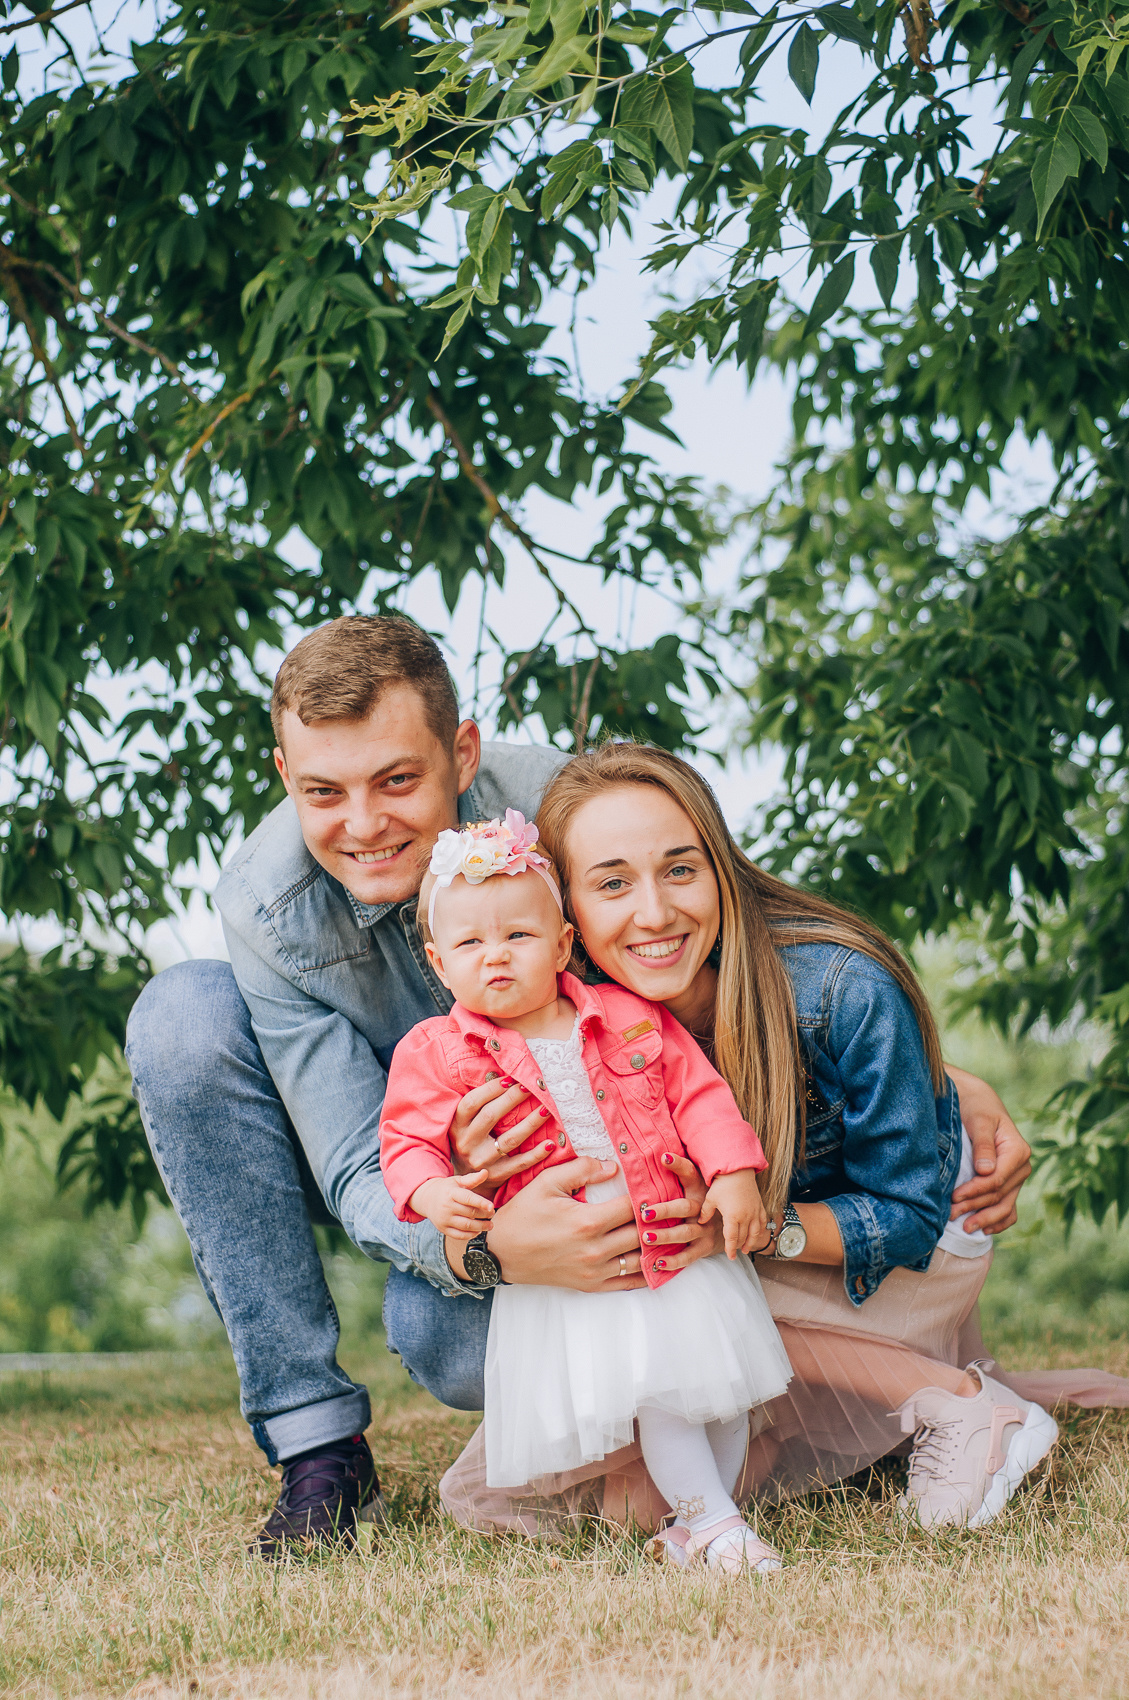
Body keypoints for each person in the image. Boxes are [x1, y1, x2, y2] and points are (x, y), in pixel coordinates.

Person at [124, 614, 1037, 1556]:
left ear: (462, 750)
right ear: (284, 775)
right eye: (324, 790)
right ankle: (317, 1446)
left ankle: (812, 1424)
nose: (364, 823)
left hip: (635, 1161)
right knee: (183, 1022)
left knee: (565, 1347)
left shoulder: (560, 806)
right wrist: (490, 1247)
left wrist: (930, 1074)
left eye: (398, 779)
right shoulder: (265, 907)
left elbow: (709, 948)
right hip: (453, 1175)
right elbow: (361, 1165)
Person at [437, 744, 1129, 1539]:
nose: (654, 913)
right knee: (621, 1502)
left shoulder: (838, 986)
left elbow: (903, 1214)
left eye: (681, 870)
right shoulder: (562, 1016)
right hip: (748, 1254)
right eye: (612, 883)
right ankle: (797, 1438)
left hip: (904, 1244)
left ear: (723, 870)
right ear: (568, 921)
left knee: (681, 1286)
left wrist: (744, 1230)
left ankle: (963, 1409)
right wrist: (480, 1188)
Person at [379, 813, 793, 1572]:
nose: (495, 958)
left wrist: (733, 1173)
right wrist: (434, 1192)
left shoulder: (629, 1018)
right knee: (664, 1395)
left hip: (672, 1241)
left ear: (563, 943)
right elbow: (403, 1143)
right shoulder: (436, 1051)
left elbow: (697, 1095)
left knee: (723, 1392)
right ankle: (716, 1524)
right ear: (439, 961)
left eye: (519, 937)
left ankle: (687, 1525)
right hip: (583, 1272)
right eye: (470, 944)